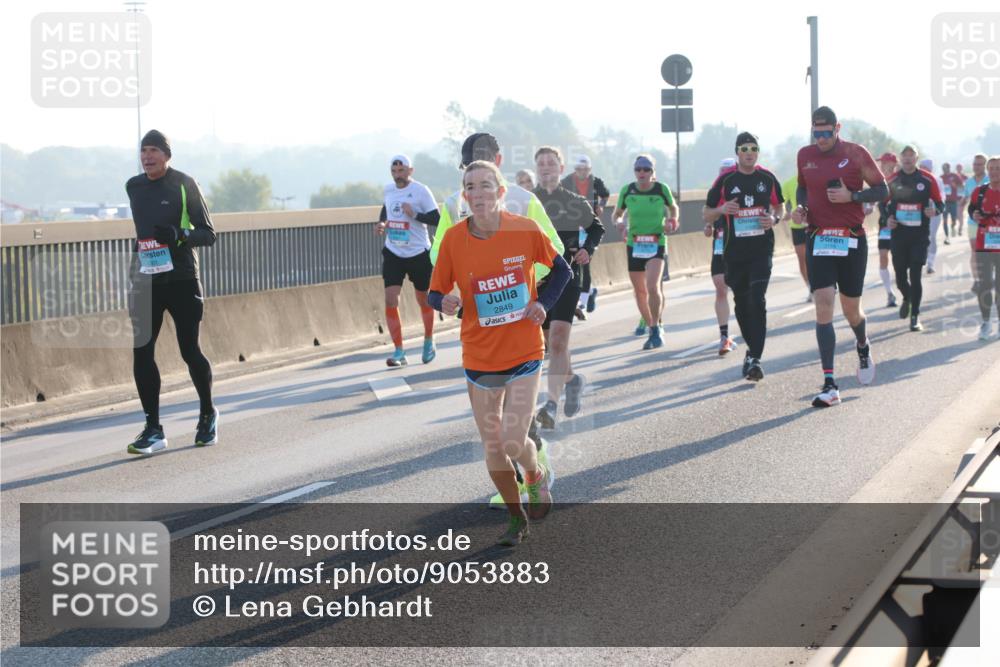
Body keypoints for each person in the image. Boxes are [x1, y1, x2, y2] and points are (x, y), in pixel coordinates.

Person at [428, 160, 572, 546]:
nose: (478, 194)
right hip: (479, 354)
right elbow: (435, 291)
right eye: (470, 187)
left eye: (486, 186)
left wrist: (543, 303)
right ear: (465, 195)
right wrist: (445, 302)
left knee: (511, 439)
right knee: (492, 445)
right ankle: (515, 518)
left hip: (524, 348)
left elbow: (562, 271)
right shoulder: (455, 240)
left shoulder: (525, 230)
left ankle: (535, 476)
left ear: (501, 192)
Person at [125, 129, 218, 455]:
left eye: (153, 150)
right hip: (146, 279)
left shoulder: (184, 184)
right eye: (143, 151)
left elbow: (208, 234)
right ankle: (153, 428)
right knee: (141, 351)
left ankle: (207, 414)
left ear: (167, 154)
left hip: (182, 279)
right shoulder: (133, 187)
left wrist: (178, 234)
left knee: (189, 350)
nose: (147, 156)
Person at [793, 107, 888, 408]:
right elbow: (802, 188)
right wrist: (802, 209)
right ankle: (830, 383)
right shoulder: (805, 155)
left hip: (851, 239)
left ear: (837, 128)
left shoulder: (856, 153)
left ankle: (862, 343)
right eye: (815, 133)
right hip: (819, 237)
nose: (820, 139)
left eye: (826, 132)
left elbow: (883, 190)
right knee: (823, 303)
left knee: (851, 310)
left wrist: (854, 197)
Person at [532, 147, 605, 430]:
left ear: (561, 168)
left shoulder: (574, 200)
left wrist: (588, 249)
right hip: (538, 280)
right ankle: (573, 380)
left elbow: (597, 228)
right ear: (537, 169)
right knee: (551, 345)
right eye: (542, 164)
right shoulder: (529, 202)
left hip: (567, 275)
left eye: (552, 163)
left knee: (559, 341)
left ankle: (550, 404)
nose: (547, 167)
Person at [704, 133, 783, 380]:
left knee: (757, 301)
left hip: (762, 250)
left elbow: (780, 207)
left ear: (758, 152)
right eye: (745, 148)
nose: (749, 152)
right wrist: (720, 209)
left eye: (754, 148)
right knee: (741, 302)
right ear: (738, 152)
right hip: (734, 252)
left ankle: (755, 358)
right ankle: (751, 352)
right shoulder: (725, 181)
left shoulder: (767, 178)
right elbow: (706, 213)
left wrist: (774, 219)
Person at [377, 155, 441, 367]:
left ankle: (429, 340)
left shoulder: (421, 191)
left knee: (423, 299)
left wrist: (414, 214)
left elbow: (437, 219)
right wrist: (382, 223)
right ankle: (398, 351)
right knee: (390, 299)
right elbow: (386, 209)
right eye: (394, 171)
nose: (398, 175)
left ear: (410, 171)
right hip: (394, 251)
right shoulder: (388, 190)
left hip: (418, 252)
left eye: (401, 170)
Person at [611, 154, 678, 349]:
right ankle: (651, 324)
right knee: (640, 292)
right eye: (638, 169)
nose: (642, 173)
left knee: (652, 286)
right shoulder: (627, 190)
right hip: (634, 243)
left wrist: (673, 220)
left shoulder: (660, 189)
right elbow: (616, 214)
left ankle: (656, 328)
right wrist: (619, 223)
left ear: (652, 172)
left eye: (646, 169)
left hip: (656, 241)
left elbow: (673, 208)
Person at [886, 146, 944, 332]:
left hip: (919, 235)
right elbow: (883, 204)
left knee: (916, 274)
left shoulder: (928, 179)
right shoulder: (893, 179)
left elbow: (940, 203)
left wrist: (934, 210)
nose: (908, 159)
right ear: (900, 159)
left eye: (911, 156)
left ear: (917, 158)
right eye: (905, 156)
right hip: (899, 235)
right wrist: (887, 219)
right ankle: (907, 297)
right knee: (900, 277)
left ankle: (915, 316)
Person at [561, 155, 610, 317]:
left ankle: (582, 300)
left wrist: (601, 206)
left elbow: (605, 195)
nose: (582, 173)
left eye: (585, 170)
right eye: (579, 170)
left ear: (590, 170)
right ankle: (589, 292)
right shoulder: (567, 182)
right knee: (577, 262)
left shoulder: (596, 182)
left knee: (585, 261)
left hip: (590, 226)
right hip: (573, 225)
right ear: (574, 170)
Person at [705, 158, 738, 355]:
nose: (725, 176)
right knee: (720, 289)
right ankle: (724, 336)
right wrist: (708, 227)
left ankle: (751, 330)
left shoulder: (743, 191)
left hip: (741, 248)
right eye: (722, 173)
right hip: (719, 246)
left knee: (743, 293)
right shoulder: (715, 193)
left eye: (729, 172)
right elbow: (708, 216)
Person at [968, 156, 1000, 341]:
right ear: (988, 170)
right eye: (992, 168)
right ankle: (986, 322)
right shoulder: (979, 192)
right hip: (984, 245)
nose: (995, 171)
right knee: (985, 284)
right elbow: (972, 209)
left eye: (998, 168)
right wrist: (975, 215)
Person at [960, 154, 990, 292]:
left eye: (979, 164)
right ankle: (977, 280)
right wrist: (960, 210)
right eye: (974, 164)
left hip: (991, 224)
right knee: (975, 251)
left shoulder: (991, 179)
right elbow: (965, 199)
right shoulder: (969, 182)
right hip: (973, 222)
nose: (976, 167)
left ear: (985, 166)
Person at [782, 172, 811, 301]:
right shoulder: (789, 183)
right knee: (802, 260)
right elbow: (780, 202)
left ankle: (825, 284)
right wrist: (787, 213)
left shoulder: (816, 176)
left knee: (817, 257)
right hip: (797, 226)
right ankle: (811, 288)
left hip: (816, 224)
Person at [876, 152, 899, 308]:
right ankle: (889, 293)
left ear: (892, 164)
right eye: (881, 163)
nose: (881, 166)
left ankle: (904, 286)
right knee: (883, 256)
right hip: (885, 225)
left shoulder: (900, 179)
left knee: (899, 260)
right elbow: (879, 203)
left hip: (901, 225)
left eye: (884, 163)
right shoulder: (878, 180)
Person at [920, 158, 949, 272]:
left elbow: (942, 197)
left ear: (930, 168)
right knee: (920, 237)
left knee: (931, 236)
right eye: (921, 167)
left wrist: (936, 209)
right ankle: (921, 259)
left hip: (934, 213)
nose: (922, 169)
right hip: (920, 213)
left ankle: (930, 264)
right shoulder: (916, 179)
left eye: (925, 167)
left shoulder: (937, 180)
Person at [941, 162, 964, 238]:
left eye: (946, 168)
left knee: (954, 218)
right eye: (943, 168)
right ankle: (946, 236)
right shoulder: (941, 177)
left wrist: (960, 198)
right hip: (944, 202)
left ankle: (953, 227)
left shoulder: (955, 176)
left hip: (953, 201)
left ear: (949, 168)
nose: (944, 170)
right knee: (944, 219)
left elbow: (961, 186)